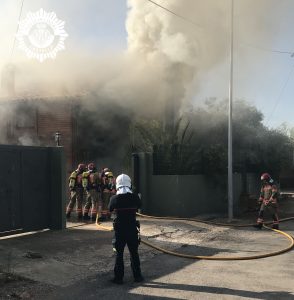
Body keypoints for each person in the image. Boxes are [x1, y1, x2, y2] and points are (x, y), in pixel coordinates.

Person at [108, 174, 143, 284]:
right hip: (132, 230)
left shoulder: (114, 198)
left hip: (120, 231)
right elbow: (140, 205)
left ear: (117, 185)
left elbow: (110, 209)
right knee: (134, 253)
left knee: (119, 254)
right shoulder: (135, 197)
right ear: (129, 184)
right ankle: (138, 276)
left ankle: (118, 278)